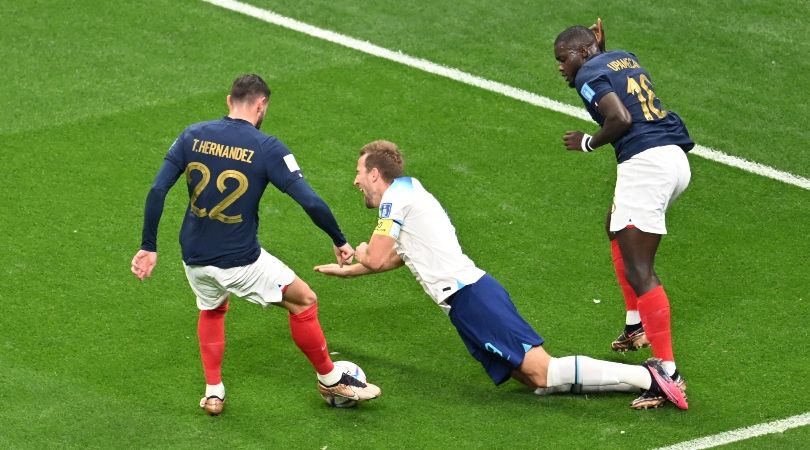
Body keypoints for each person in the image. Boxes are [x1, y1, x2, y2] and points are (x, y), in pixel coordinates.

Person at [314, 140, 687, 410]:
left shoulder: (396, 199)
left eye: (359, 173)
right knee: (531, 381)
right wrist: (352, 270)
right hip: (465, 301)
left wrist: (359, 251)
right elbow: (398, 257)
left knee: (543, 373)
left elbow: (379, 258)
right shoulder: (409, 193)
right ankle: (643, 378)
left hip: (470, 297)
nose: (355, 181)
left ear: (375, 173)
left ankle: (651, 377)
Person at [130, 74, 380, 416]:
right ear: (260, 105)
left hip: (193, 256)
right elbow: (310, 201)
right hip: (240, 261)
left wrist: (148, 246)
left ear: (228, 100)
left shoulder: (191, 135)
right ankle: (330, 376)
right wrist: (338, 239)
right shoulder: (266, 147)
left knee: (212, 308)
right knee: (304, 300)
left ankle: (213, 393)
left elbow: (157, 190)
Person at [553, 21, 694, 406]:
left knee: (640, 269)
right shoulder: (621, 59)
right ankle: (635, 326)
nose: (561, 67)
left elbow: (621, 119)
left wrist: (587, 142)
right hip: (675, 159)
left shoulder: (587, 74)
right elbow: (611, 73)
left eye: (563, 59)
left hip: (646, 164)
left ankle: (668, 373)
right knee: (615, 227)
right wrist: (598, 49)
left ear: (582, 53)